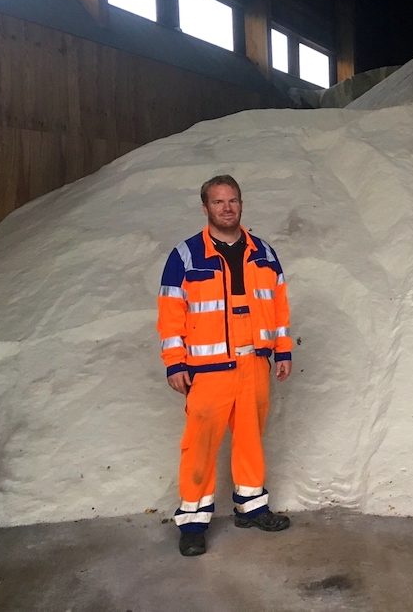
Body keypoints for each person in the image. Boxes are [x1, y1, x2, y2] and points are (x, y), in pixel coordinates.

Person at [157, 175, 294, 556]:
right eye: (219, 202)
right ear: (205, 207)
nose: (227, 208)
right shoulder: (185, 256)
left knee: (251, 438)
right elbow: (171, 315)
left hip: (255, 362)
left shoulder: (263, 253)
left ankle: (251, 507)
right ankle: (194, 523)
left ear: (241, 204)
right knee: (199, 445)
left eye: (233, 201)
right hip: (209, 368)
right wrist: (174, 362)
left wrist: (282, 351)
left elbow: (279, 309)